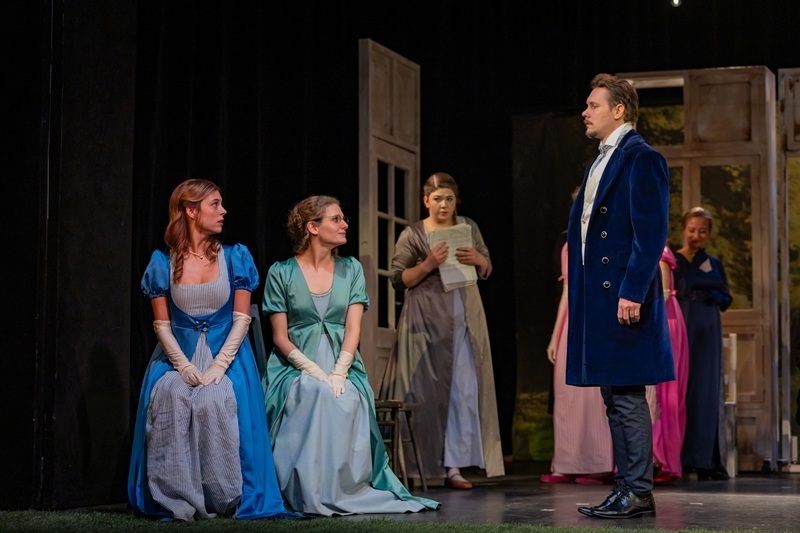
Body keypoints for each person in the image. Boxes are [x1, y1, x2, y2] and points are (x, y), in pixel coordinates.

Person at [262, 195, 440, 515]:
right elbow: (279, 337)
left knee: (345, 397)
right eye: (336, 219)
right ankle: (305, 490)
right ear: (312, 227)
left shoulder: (351, 269)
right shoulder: (281, 272)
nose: (345, 224)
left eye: (343, 218)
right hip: (294, 366)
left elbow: (353, 328)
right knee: (313, 392)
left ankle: (343, 488)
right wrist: (313, 371)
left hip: (342, 363)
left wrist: (340, 370)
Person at [128, 179, 294, 521]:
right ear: (191, 211)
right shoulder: (162, 262)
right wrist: (184, 366)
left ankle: (223, 498)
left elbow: (242, 319)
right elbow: (162, 326)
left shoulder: (235, 257)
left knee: (213, 400)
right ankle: (177, 498)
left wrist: (219, 365)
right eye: (214, 204)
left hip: (226, 354)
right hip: (177, 356)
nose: (223, 211)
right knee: (172, 395)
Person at [567, 74, 673, 519]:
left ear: (619, 110)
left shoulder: (642, 158)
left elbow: (651, 234)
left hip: (623, 297)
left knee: (627, 394)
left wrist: (632, 291)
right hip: (599, 298)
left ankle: (639, 491)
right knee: (614, 395)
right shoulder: (598, 162)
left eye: (593, 105)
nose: (585, 112)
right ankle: (627, 488)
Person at [379, 172, 505, 490]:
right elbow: (397, 278)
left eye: (449, 198)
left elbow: (487, 268)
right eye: (437, 199)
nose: (443, 204)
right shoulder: (413, 234)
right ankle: (418, 466)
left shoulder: (469, 227)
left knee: (464, 390)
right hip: (426, 316)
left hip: (465, 315)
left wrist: (479, 260)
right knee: (424, 392)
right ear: (426, 201)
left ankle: (454, 466)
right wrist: (428, 264)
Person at [542, 217, 614, 485]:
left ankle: (599, 464)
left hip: (600, 315)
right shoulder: (570, 244)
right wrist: (555, 335)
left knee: (595, 396)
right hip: (573, 320)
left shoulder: (610, 237)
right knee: (567, 392)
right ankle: (567, 462)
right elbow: (566, 291)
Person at [674, 206, 732, 480]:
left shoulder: (714, 262)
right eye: (692, 230)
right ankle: (680, 458)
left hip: (708, 326)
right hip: (683, 323)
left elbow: (726, 298)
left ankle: (704, 459)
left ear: (709, 234)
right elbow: (677, 290)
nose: (696, 235)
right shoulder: (673, 259)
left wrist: (715, 295)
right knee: (682, 389)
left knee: (706, 389)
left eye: (702, 231)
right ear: (683, 230)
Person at [652, 243, 690, 483]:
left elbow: (664, 293)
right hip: (661, 319)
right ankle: (655, 458)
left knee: (665, 394)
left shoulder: (659, 251)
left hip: (664, 320)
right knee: (656, 393)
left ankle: (662, 459)